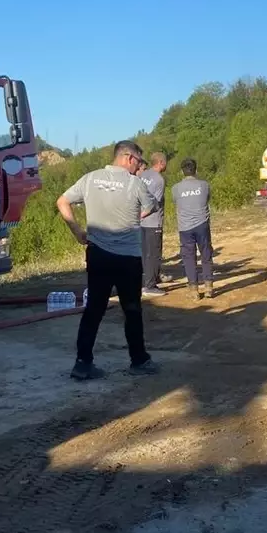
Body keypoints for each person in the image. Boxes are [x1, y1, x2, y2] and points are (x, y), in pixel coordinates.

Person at [57, 140, 160, 380]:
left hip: (98, 253)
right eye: (137, 162)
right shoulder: (135, 184)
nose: (138, 168)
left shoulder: (90, 178)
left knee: (94, 308)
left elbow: (62, 201)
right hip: (128, 258)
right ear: (128, 158)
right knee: (131, 309)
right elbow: (150, 208)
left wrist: (77, 231)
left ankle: (82, 363)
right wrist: (134, 217)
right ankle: (138, 360)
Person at [172, 158, 214, 299]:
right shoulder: (204, 185)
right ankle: (208, 287)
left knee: (189, 257)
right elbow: (207, 199)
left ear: (182, 172)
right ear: (196, 170)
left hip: (185, 227)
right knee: (206, 255)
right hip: (202, 224)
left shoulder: (175, 188)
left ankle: (194, 290)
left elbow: (176, 201)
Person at [138, 152, 167, 297]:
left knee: (146, 254)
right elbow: (154, 204)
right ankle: (150, 286)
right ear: (161, 163)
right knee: (154, 254)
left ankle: (151, 279)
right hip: (153, 222)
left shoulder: (143, 175)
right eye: (165, 162)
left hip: (142, 224)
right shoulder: (159, 180)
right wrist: (141, 215)